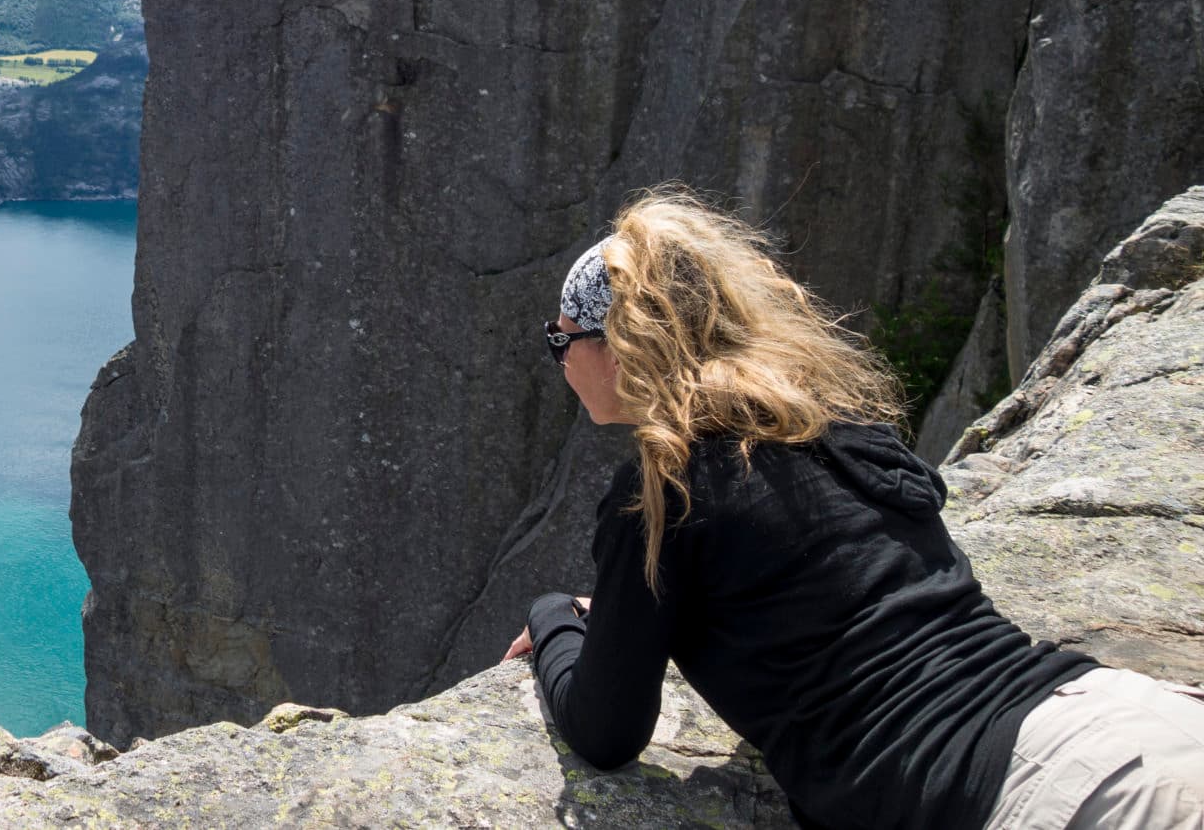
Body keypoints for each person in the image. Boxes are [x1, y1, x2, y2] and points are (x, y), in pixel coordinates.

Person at [504, 187, 1204, 830]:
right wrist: (629, 612)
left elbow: (603, 731)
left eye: (561, 340)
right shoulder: (838, 430)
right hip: (1124, 715)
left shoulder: (661, 494)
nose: (560, 361)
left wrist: (553, 614)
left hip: (1048, 798)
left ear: (620, 346)